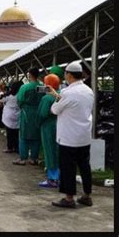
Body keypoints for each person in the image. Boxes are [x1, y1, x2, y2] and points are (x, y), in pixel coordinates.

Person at [48, 62, 94, 208]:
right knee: (84, 166)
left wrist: (56, 97)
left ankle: (69, 198)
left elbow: (54, 110)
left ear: (69, 74)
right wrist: (58, 95)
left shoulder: (68, 92)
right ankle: (87, 196)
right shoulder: (88, 90)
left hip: (68, 137)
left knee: (68, 168)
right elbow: (72, 105)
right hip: (84, 136)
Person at [13, 67, 43, 166]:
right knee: (36, 136)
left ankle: (22, 158)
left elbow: (19, 100)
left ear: (29, 75)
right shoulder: (42, 87)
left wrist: (23, 106)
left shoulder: (24, 87)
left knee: (23, 136)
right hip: (38, 112)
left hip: (26, 113)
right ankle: (33, 158)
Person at [37, 73, 61, 188]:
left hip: (48, 127)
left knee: (49, 151)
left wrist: (37, 124)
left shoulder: (47, 98)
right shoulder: (60, 95)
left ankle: (52, 178)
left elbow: (42, 114)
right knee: (57, 151)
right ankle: (60, 176)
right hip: (60, 126)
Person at [0, 81, 22, 153]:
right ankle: (16, 147)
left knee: (9, 133)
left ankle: (9, 147)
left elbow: (1, 101)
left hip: (8, 115)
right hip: (17, 115)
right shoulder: (20, 95)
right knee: (16, 133)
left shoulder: (8, 95)